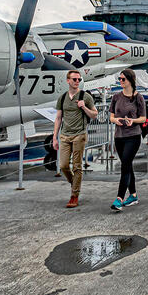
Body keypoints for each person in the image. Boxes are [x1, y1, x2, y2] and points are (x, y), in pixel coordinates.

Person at [53, 70, 98, 208]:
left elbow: (94, 114)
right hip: (65, 135)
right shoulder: (62, 98)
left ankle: (74, 195)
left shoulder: (85, 97)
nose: (77, 81)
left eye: (79, 79)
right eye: (74, 79)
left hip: (79, 135)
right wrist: (55, 137)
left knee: (77, 166)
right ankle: (75, 183)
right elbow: (58, 118)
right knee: (63, 165)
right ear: (68, 81)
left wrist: (83, 107)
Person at [109, 68, 147, 212]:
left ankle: (119, 198)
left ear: (130, 80)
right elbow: (111, 116)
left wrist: (133, 120)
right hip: (119, 136)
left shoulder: (138, 97)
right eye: (119, 79)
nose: (120, 81)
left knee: (125, 166)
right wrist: (116, 120)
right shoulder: (116, 97)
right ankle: (133, 195)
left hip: (133, 136)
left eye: (123, 79)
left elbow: (143, 118)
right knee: (128, 165)